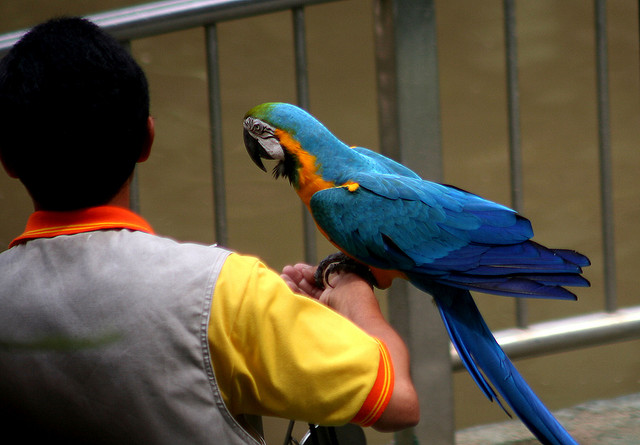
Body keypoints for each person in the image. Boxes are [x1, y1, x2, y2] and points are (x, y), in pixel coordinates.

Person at [0, 16, 418, 443]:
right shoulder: (223, 293)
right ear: (148, 139)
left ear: (7, 159)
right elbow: (398, 401)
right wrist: (354, 296)